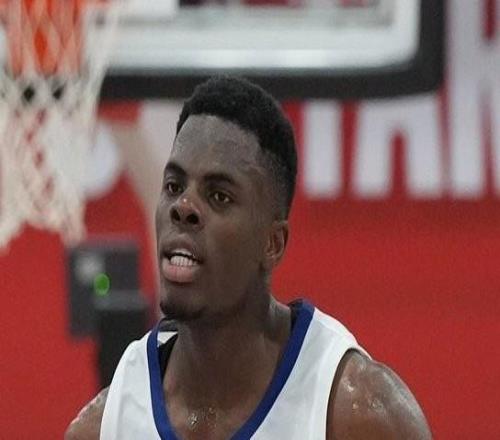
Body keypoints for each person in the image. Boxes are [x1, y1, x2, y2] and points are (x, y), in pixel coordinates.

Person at [66, 76, 432, 440]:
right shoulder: (102, 427)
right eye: (174, 186)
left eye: (219, 196)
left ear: (272, 244)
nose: (183, 207)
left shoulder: (358, 415)